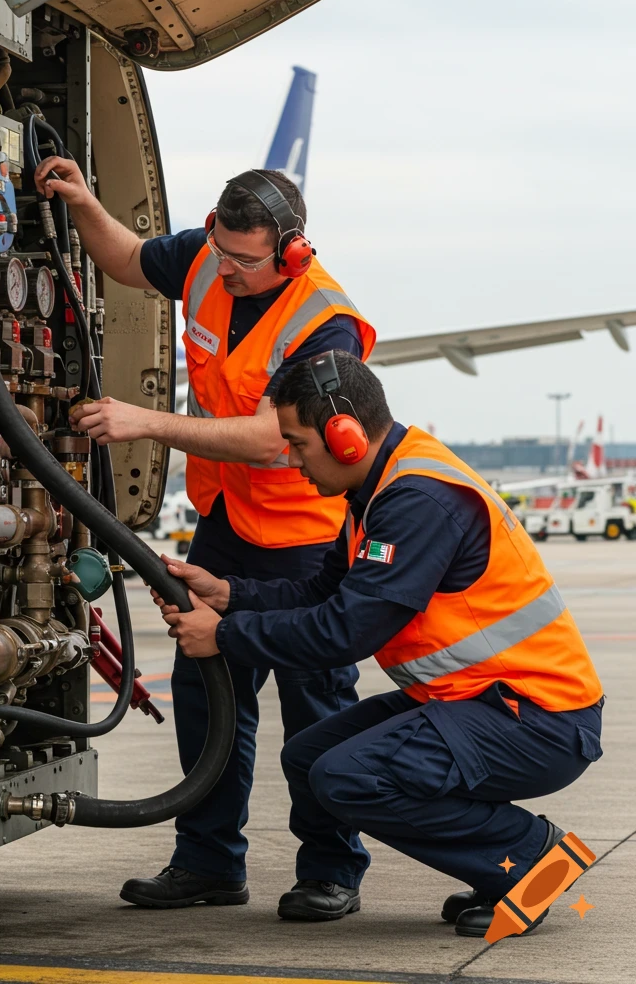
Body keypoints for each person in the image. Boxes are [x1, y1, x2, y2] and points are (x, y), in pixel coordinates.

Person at [154, 350, 604, 935]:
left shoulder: (417, 501)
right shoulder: (379, 491)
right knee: (309, 758)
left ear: (345, 437)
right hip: (478, 701)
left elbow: (345, 632)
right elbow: (323, 595)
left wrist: (225, 638)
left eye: (297, 443)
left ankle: (532, 859)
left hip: (537, 719)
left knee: (349, 776)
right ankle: (464, 871)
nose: (290, 461)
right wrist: (230, 596)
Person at [34, 157, 376, 908]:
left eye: (243, 260)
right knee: (206, 687)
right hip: (227, 525)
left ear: (288, 253)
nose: (225, 269)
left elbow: (269, 439)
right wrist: (85, 201)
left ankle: (330, 868)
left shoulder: (327, 326)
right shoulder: (205, 258)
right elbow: (126, 257)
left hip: (305, 537)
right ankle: (210, 863)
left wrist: (142, 422)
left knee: (318, 702)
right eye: (219, 248)